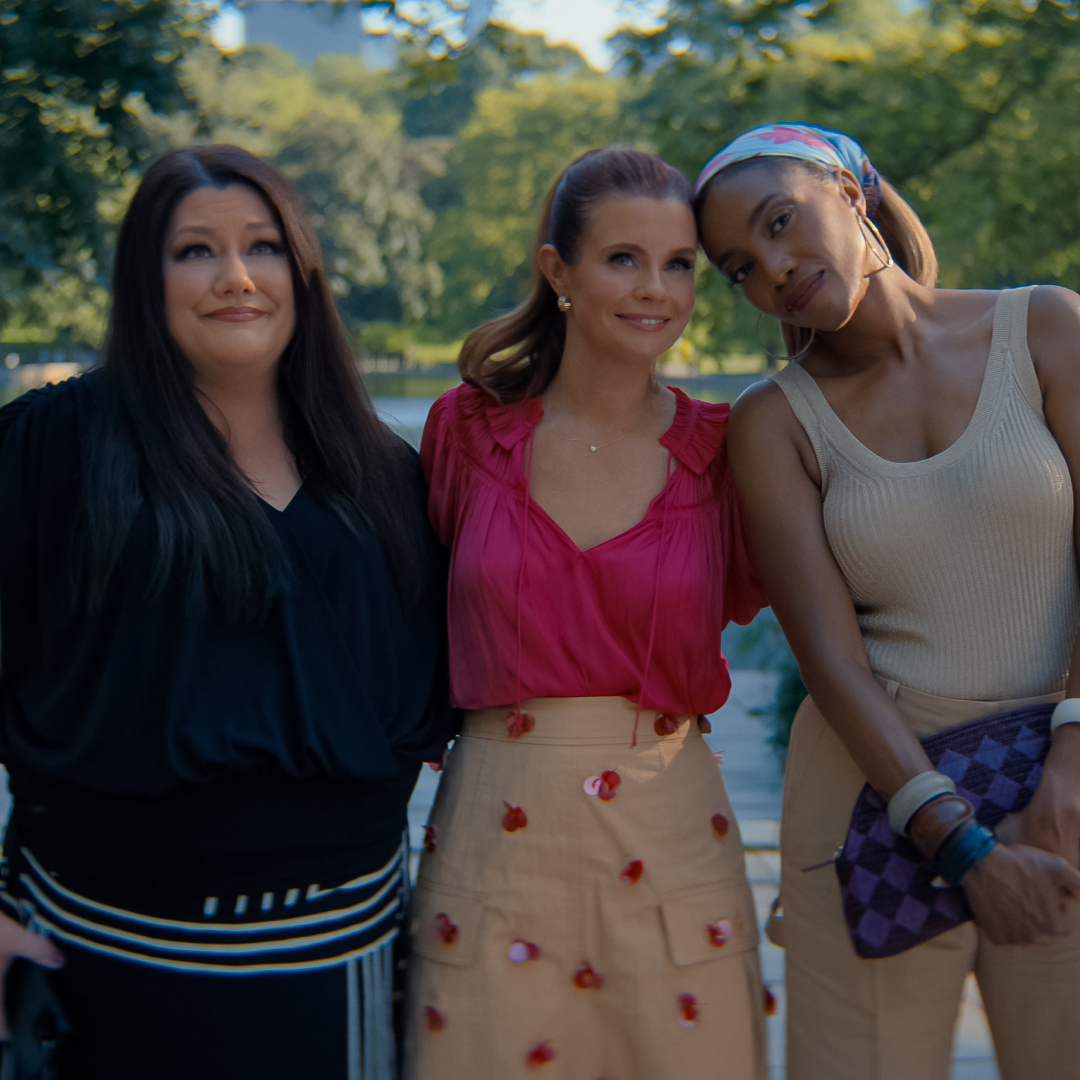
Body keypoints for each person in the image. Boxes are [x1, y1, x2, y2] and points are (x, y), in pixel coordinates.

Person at [0, 144, 450, 1079]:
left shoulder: (383, 473)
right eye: (195, 250)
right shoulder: (55, 447)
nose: (236, 276)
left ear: (304, 271)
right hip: (96, 962)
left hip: (337, 967)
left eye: (263, 247)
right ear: (145, 277)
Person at [694, 122, 1080, 1080]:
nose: (774, 268)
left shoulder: (1046, 328)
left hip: (1068, 790)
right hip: (876, 805)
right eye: (740, 265)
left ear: (853, 195)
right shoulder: (773, 422)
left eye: (783, 223)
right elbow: (829, 661)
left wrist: (1072, 762)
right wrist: (962, 845)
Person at [404, 146, 768, 1080]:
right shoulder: (465, 433)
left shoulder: (733, 455)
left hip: (673, 837)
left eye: (680, 264)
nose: (657, 290)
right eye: (623, 259)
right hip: (494, 842)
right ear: (557, 271)